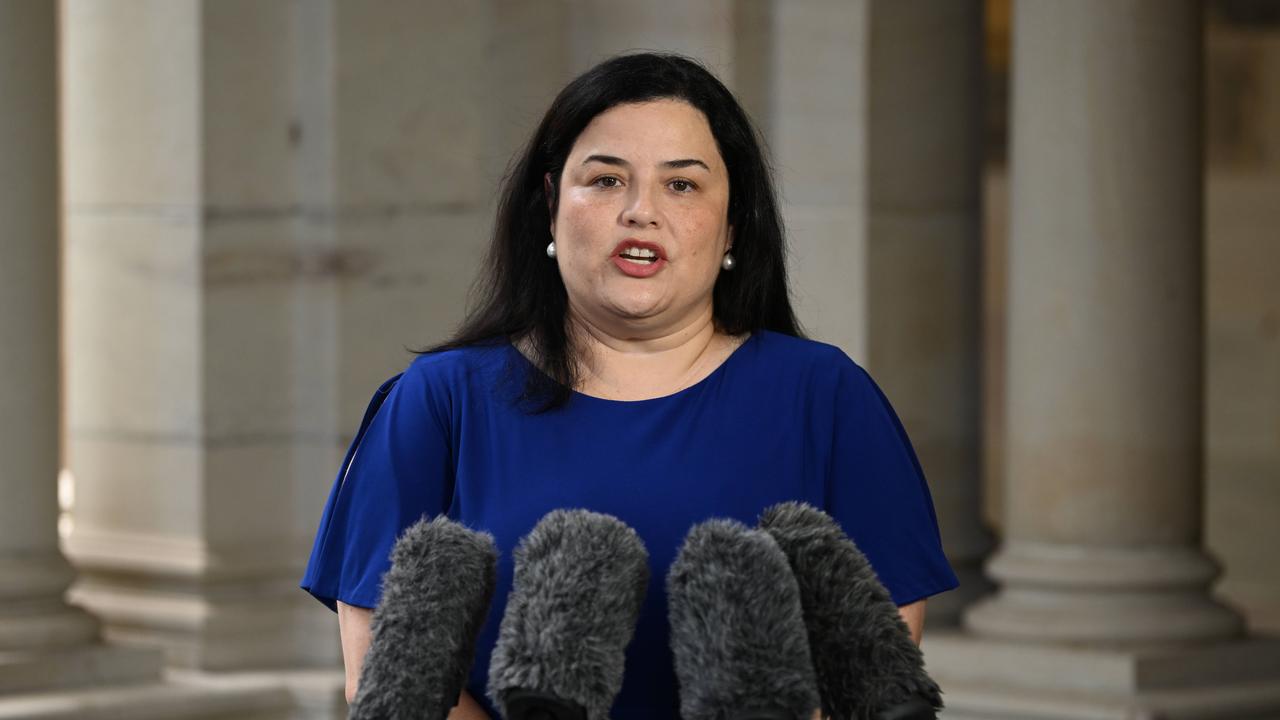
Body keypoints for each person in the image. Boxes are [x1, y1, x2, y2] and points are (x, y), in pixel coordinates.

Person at [301, 52, 958, 719]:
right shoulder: (437, 402)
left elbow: (873, 683)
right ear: (551, 205)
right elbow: (383, 682)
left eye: (682, 185)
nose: (641, 211)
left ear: (732, 225)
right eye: (607, 179)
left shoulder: (831, 400)